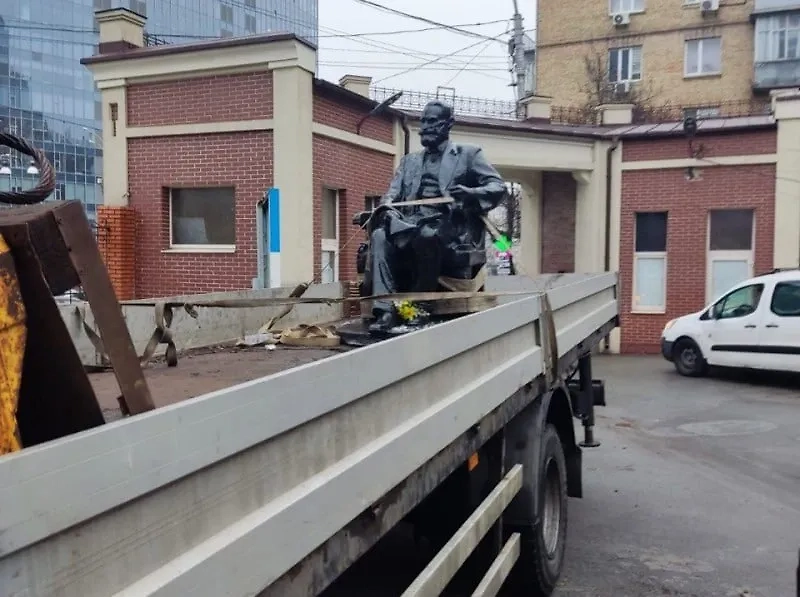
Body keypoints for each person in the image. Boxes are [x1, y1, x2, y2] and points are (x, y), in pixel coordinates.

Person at [367, 100, 506, 332]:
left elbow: (497, 187)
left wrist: (471, 194)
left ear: (448, 124)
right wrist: (387, 209)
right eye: (423, 121)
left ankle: (418, 307)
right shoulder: (409, 162)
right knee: (380, 235)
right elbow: (391, 195)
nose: (426, 127)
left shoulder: (469, 154)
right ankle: (385, 310)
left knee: (427, 234)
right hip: (409, 224)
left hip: (449, 228)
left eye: (432, 121)